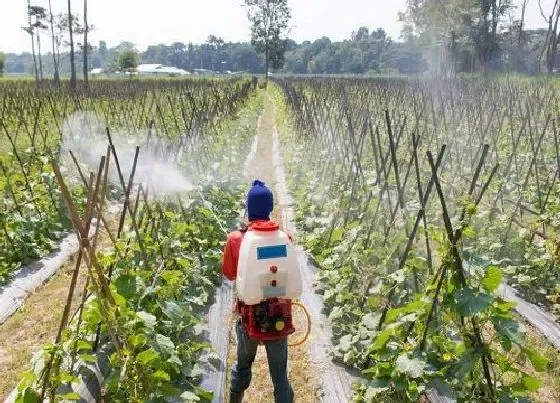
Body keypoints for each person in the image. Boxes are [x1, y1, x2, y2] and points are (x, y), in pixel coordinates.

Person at [222, 180, 295, 403]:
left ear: (249, 209)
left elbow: (229, 273)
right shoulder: (284, 237)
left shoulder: (236, 239)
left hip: (248, 317)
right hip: (278, 316)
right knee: (280, 373)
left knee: (242, 365)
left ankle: (235, 398)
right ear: (270, 209)